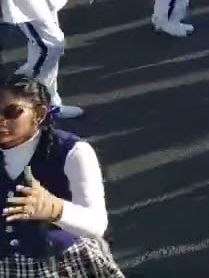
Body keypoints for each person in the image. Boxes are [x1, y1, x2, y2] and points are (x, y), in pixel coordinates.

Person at [0, 74, 124, 277]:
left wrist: (54, 209)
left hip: (64, 263)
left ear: (38, 114)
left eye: (11, 112)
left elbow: (96, 224)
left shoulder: (73, 152)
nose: (1, 121)